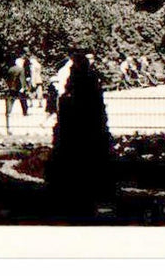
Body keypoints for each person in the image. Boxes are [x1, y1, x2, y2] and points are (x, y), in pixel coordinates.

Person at [44, 52, 114, 218]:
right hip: (91, 145)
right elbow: (100, 119)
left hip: (73, 147)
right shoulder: (92, 93)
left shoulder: (68, 100)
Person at [5, 54, 29, 122]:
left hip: (12, 87)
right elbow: (22, 79)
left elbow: (8, 79)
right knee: (23, 100)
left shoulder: (10, 69)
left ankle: (8, 112)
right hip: (19, 88)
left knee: (11, 100)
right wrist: (23, 87)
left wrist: (9, 86)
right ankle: (25, 112)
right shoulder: (21, 69)